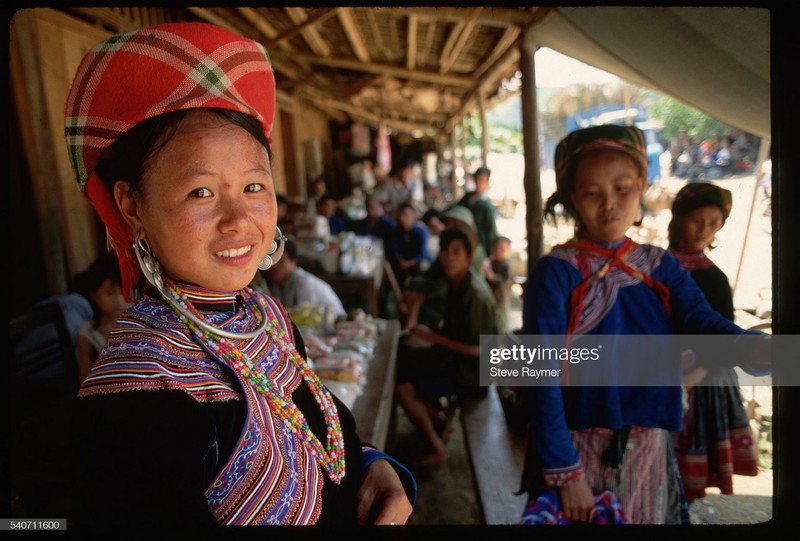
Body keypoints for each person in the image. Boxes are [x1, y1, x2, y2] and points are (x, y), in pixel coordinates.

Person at [64, 22, 414, 527]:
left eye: (254, 185)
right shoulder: (135, 396)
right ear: (131, 205)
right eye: (200, 192)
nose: (238, 220)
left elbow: (321, 424)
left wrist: (373, 465)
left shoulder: (263, 315)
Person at [518, 125, 768, 525]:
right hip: (579, 449)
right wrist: (566, 472)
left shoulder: (659, 265)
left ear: (642, 184)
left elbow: (701, 321)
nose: (610, 205)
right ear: (572, 198)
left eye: (622, 188)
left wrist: (749, 346)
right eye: (591, 192)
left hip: (648, 446)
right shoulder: (556, 272)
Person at [667, 182, 759, 502]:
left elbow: (721, 340)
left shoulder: (714, 279)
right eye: (697, 219)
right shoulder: (655, 267)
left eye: (714, 222)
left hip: (703, 382)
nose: (705, 229)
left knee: (683, 481)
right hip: (660, 374)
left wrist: (689, 381)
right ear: (679, 217)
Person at [394, 226, 499, 466]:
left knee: (404, 388)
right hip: (456, 359)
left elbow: (482, 351)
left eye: (456, 252)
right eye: (445, 251)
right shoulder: (456, 281)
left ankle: (436, 446)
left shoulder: (475, 294)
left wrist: (432, 338)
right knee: (405, 362)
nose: (449, 257)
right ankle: (437, 419)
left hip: (476, 373)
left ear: (470, 257)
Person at [70, 254, 129, 383]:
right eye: (109, 293)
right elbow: (84, 378)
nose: (119, 300)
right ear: (94, 296)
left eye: (123, 291)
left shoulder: (138, 318)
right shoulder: (87, 333)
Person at [262, 238, 347, 320]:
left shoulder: (305, 283)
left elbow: (305, 316)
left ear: (293, 262)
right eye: (273, 261)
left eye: (280, 261)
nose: (274, 266)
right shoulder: (277, 285)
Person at [388, 202, 433, 288]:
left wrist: (409, 263)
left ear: (414, 216)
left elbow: (423, 254)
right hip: (403, 264)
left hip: (418, 264)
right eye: (400, 214)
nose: (402, 218)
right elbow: (394, 251)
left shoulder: (422, 231)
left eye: (406, 214)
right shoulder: (396, 231)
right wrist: (400, 260)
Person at [455, 166, 498, 256]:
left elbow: (491, 230)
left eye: (482, 180)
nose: (478, 183)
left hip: (478, 245)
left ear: (487, 182)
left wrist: (489, 252)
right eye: (477, 179)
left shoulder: (486, 205)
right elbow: (455, 209)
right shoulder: (468, 197)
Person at [484, 235, 513, 334]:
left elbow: (503, 280)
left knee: (500, 331)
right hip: (490, 304)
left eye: (502, 249)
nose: (498, 251)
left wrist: (491, 275)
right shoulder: (491, 263)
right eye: (496, 248)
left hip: (501, 306)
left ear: (508, 251)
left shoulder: (506, 266)